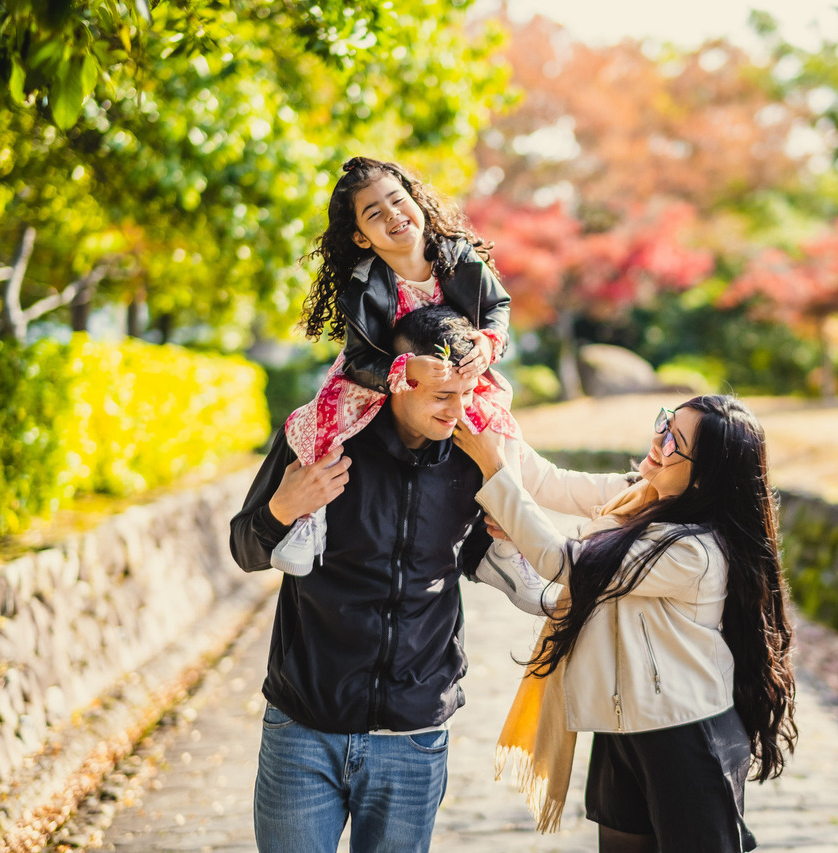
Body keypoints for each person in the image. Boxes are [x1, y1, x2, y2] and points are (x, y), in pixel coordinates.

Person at [230, 306, 633, 853]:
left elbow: (531, 501)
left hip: (414, 735)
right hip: (304, 727)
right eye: (441, 395)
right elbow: (245, 548)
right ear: (397, 380)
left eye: (467, 392)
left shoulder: (474, 452)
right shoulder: (326, 438)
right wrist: (282, 508)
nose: (460, 410)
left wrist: (497, 539)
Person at [454, 395, 799, 853]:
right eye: (665, 424)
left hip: (686, 736)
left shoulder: (695, 552)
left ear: (706, 476)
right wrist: (485, 409)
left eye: (675, 441)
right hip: (622, 731)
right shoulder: (640, 494)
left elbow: (568, 562)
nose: (659, 440)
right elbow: (548, 482)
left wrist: (498, 476)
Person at [270, 155, 519, 580]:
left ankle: (503, 540)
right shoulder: (366, 285)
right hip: (382, 375)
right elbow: (359, 358)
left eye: (398, 200)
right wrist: (403, 369)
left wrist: (488, 341)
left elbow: (497, 307)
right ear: (362, 238)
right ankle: (310, 520)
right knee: (321, 420)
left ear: (417, 202)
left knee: (501, 425)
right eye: (374, 213)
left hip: (459, 372)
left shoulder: (456, 256)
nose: (392, 215)